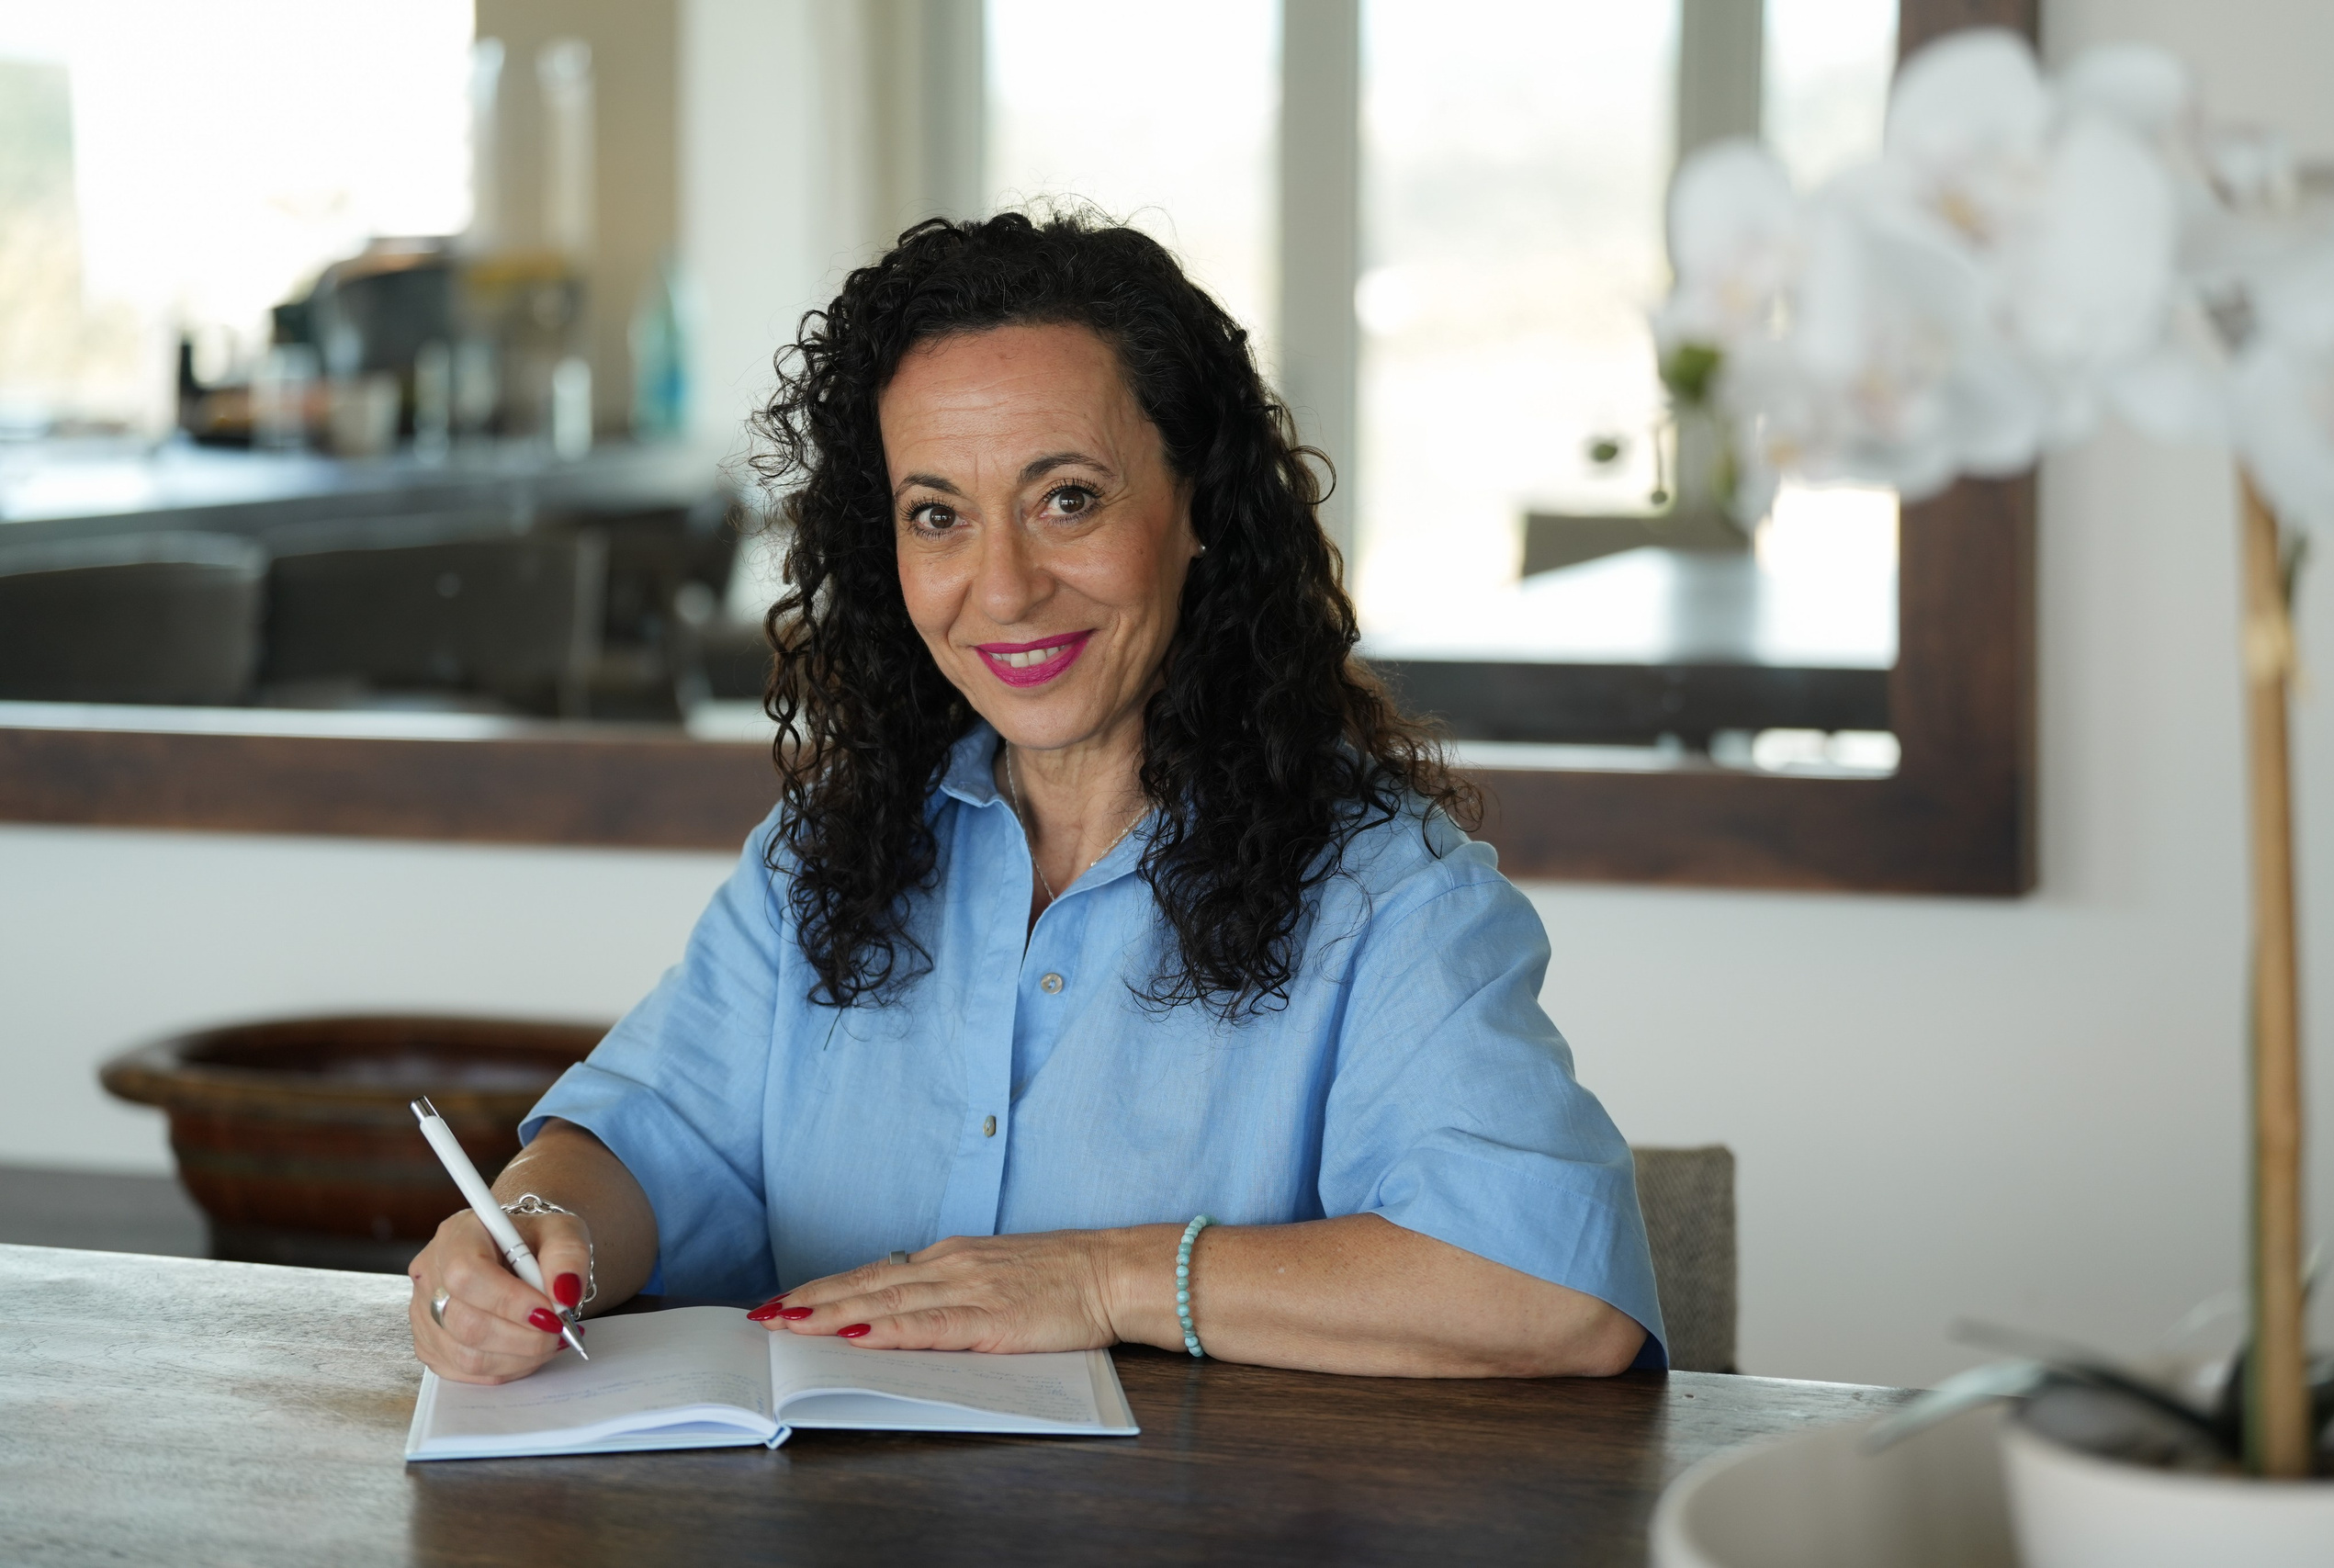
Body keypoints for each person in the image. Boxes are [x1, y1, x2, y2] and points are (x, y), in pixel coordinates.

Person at [408, 210, 1664, 1384]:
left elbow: (1552, 1293)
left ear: (1197, 511)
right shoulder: (822, 856)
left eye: (1068, 498)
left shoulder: (1390, 897)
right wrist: (537, 1226)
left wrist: (1104, 1280)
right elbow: (644, 1140)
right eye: (937, 514)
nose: (1000, 588)